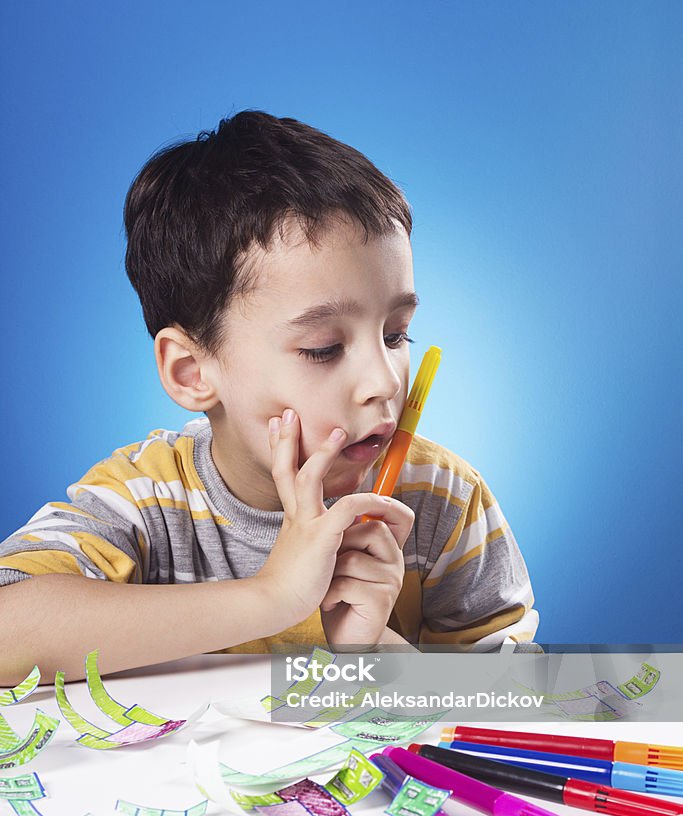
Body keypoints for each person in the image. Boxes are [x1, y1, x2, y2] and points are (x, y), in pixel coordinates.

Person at [0, 110, 538, 686]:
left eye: (395, 334)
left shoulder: (442, 502)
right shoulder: (145, 498)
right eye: (325, 348)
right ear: (191, 372)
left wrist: (374, 657)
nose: (384, 382)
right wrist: (273, 599)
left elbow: (518, 707)